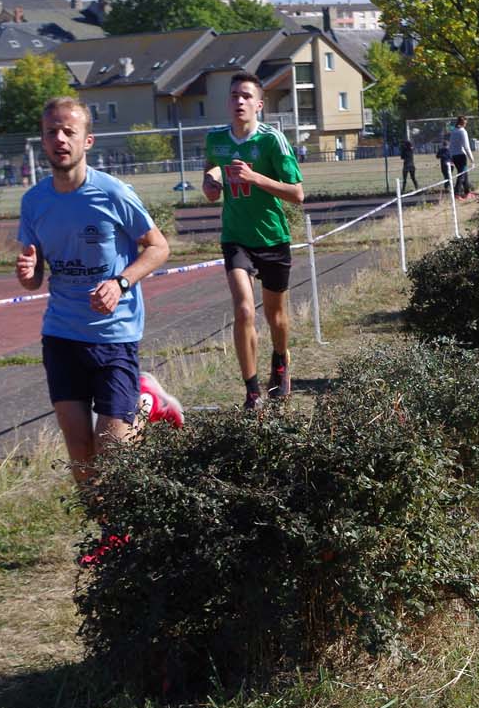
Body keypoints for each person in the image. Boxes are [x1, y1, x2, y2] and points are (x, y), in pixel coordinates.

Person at [16, 96, 171, 477]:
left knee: (112, 450)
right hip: (61, 334)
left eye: (70, 131)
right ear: (43, 140)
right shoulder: (34, 201)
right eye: (52, 132)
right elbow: (35, 276)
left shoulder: (113, 193)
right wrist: (29, 274)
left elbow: (158, 247)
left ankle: (146, 404)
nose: (60, 139)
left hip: (114, 335)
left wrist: (120, 283)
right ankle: (108, 535)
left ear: (87, 141)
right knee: (81, 454)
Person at [202, 72, 306, 411]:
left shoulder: (273, 141)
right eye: (234, 96)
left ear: (259, 104)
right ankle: (251, 392)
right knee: (244, 308)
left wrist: (255, 177)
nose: (239, 102)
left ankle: (280, 362)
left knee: (276, 317)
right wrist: (210, 184)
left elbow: (297, 194)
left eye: (246, 96)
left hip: (272, 236)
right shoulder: (215, 139)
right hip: (235, 238)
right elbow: (212, 177)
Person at [448, 116, 473, 198]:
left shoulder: (453, 131)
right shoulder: (463, 132)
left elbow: (451, 146)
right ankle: (457, 193)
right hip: (461, 156)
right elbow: (466, 147)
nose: (466, 124)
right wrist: (472, 159)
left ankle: (467, 192)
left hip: (454, 156)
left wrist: (451, 156)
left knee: (464, 173)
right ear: (463, 123)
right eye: (465, 123)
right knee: (462, 175)